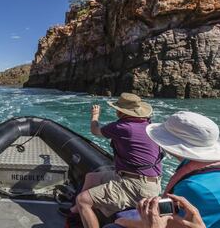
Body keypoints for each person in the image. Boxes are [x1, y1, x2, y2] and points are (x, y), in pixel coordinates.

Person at [60, 93, 164, 228]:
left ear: (121, 112)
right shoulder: (149, 126)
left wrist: (95, 116)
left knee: (83, 200)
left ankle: (81, 207)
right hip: (151, 182)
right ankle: (75, 212)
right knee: (91, 177)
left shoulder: (122, 127)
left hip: (136, 186)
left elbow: (95, 130)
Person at [116, 111, 220, 228]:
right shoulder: (202, 165)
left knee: (116, 223)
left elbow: (170, 223)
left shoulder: (193, 186)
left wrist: (123, 222)